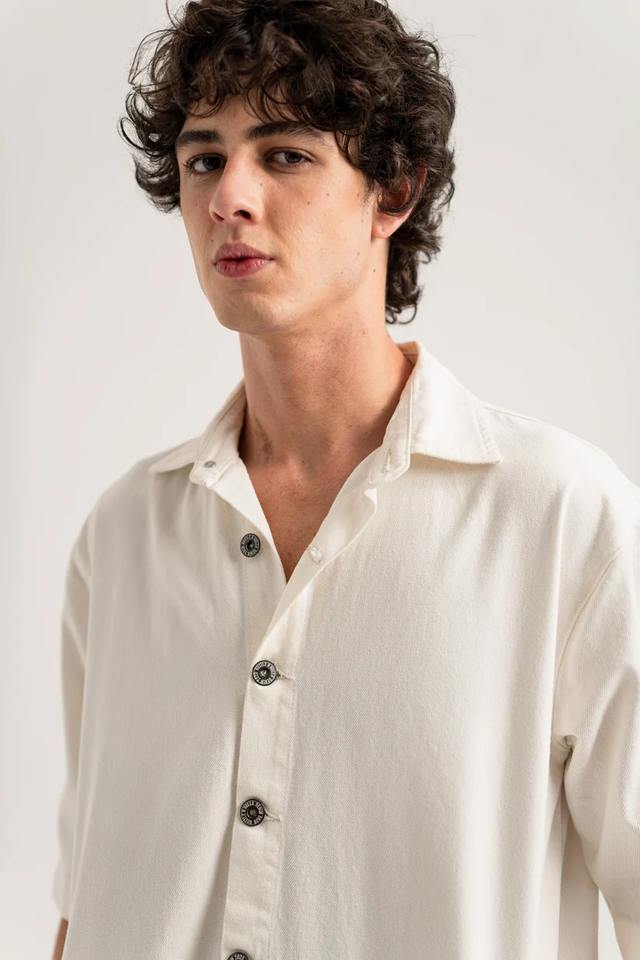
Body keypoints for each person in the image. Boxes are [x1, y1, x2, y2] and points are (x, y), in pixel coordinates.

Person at [51, 1, 640, 958]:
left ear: (392, 190)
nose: (228, 197)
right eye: (203, 159)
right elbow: (85, 900)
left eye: (284, 154)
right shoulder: (123, 538)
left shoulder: (564, 521)